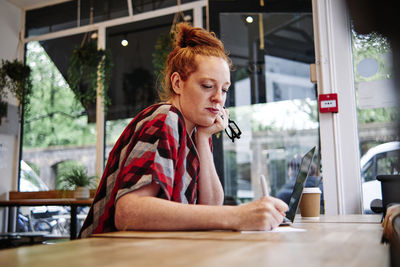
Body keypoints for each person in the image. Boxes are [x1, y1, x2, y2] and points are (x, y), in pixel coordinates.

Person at [79, 23, 288, 238]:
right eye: (207, 86)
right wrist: (237, 215)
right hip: (107, 254)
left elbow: (211, 205)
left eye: (224, 89)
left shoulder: (195, 131)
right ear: (178, 83)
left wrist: (204, 136)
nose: (219, 98)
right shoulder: (165, 118)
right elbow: (128, 212)